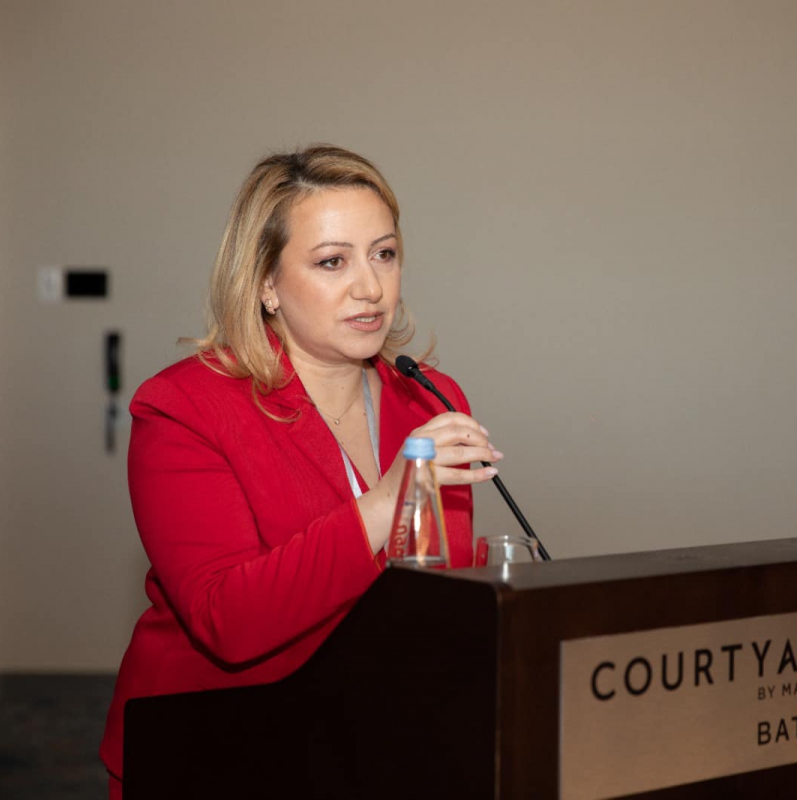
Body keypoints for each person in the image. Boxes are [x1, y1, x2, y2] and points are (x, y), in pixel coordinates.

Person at [99, 145, 501, 797]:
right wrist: (384, 504)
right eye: (332, 261)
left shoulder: (431, 399)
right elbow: (227, 622)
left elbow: (436, 592)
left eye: (384, 254)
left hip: (380, 748)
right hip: (215, 748)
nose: (370, 287)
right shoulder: (183, 408)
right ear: (265, 284)